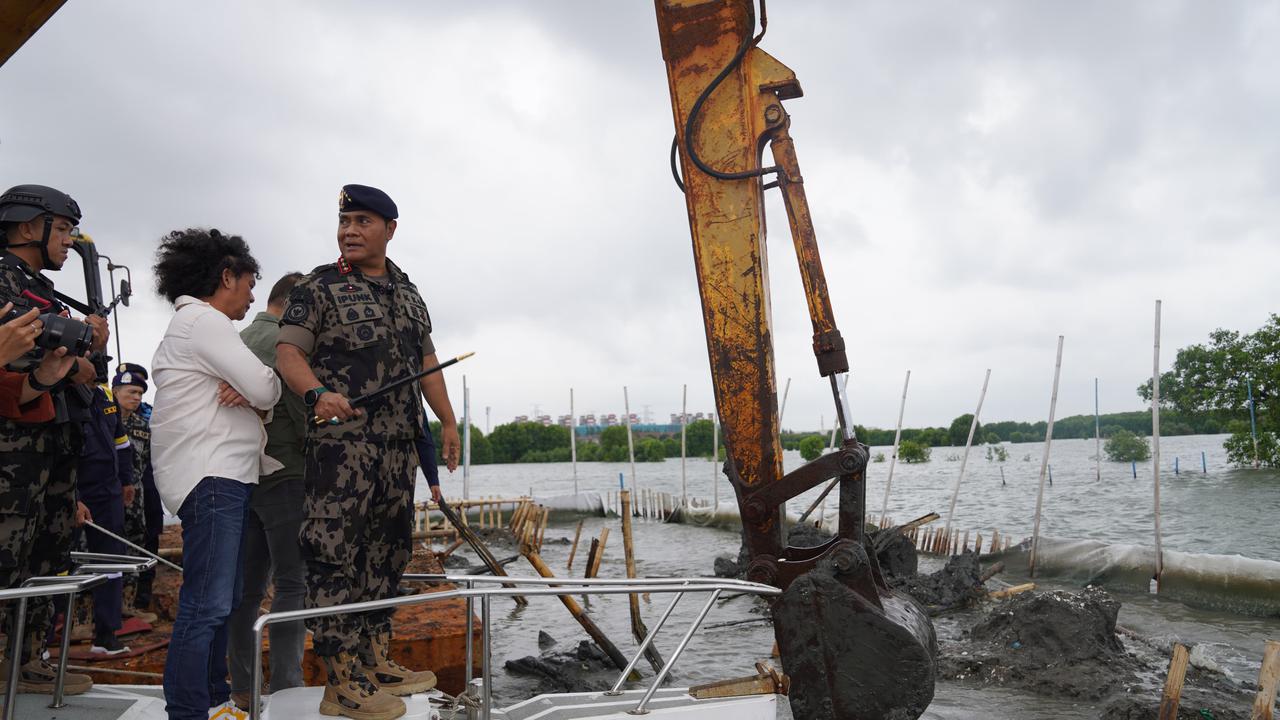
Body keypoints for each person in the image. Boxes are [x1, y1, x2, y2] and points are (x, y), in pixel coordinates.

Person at [278, 184, 459, 720]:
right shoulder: (320, 286)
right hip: (343, 451)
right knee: (335, 559)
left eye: (361, 221)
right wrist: (316, 393)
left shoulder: (408, 291)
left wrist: (447, 421)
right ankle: (340, 683)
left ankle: (374, 660)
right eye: (344, 221)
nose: (349, 231)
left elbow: (427, 363)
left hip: (399, 450)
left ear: (389, 229)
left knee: (386, 555)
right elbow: (289, 351)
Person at [150, 228, 280, 720]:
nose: (250, 295)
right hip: (213, 478)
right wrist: (254, 390)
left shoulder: (191, 326)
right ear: (225, 276)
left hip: (216, 477)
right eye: (247, 284)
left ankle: (214, 699)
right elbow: (267, 388)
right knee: (206, 604)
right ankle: (189, 710)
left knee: (218, 600)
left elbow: (255, 395)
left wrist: (248, 392)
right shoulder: (205, 323)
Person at [0, 184, 107, 695]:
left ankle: (26, 658)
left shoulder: (37, 288)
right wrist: (73, 363)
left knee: (47, 555)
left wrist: (80, 358)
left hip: (51, 446)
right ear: (27, 227)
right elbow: (30, 360)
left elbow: (77, 363)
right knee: (6, 555)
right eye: (62, 229)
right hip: (12, 451)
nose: (68, 241)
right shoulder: (4, 280)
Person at [226, 272, 308, 710]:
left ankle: (242, 686)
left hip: (241, 476)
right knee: (294, 582)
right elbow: (298, 413)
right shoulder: (285, 344)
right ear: (295, 304)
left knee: (248, 590)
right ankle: (287, 686)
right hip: (287, 474)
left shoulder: (236, 340)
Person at [75, 382, 134, 655]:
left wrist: (126, 480)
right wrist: (72, 495)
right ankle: (41, 641)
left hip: (108, 491)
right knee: (61, 565)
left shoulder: (105, 395)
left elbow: (121, 443)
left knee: (112, 561)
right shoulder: (60, 390)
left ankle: (106, 635)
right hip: (73, 491)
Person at [112, 366, 161, 619]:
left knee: (135, 549)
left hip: (137, 500)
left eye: (140, 394)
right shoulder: (101, 421)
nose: (137, 398)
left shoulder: (146, 425)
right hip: (106, 498)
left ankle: (128, 608)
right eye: (132, 392)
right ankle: (85, 617)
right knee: (99, 553)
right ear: (115, 391)